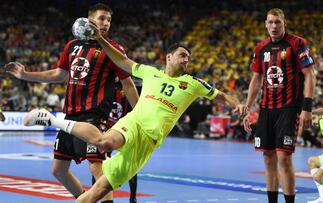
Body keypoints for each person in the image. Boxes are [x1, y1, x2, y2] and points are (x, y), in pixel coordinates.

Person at [23, 19, 244, 202]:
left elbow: (223, 96)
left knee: (99, 190)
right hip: (134, 122)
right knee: (105, 141)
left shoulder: (194, 83)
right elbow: (122, 60)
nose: (187, 60)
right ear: (169, 57)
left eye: (188, 57)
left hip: (148, 141)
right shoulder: (149, 72)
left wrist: (238, 105)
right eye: (182, 55)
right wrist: (100, 38)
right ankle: (51, 119)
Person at [5, 3, 139, 203]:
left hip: (94, 116)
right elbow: (58, 74)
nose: (106, 23)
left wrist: (140, 113)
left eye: (109, 20)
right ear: (90, 20)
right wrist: (26, 75)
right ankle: (86, 199)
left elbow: (128, 84)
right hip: (70, 116)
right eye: (102, 18)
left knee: (96, 166)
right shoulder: (72, 46)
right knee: (58, 170)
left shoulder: (113, 49)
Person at [240, 8, 316, 203]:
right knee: (268, 159)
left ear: (284, 23)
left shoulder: (297, 43)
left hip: (289, 108)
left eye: (278, 23)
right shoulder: (260, 48)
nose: (274, 26)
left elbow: (309, 75)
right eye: (271, 22)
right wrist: (247, 109)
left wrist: (307, 108)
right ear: (266, 24)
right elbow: (256, 79)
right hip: (266, 108)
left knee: (284, 158)